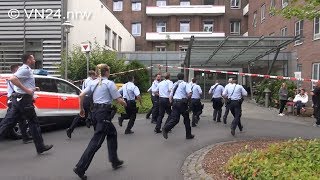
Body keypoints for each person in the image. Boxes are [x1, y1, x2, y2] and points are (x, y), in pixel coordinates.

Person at [73, 64, 127, 180]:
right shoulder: (109, 83)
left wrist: (81, 109)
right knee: (96, 142)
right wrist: (124, 103)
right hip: (104, 114)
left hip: (95, 113)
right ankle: (80, 167)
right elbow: (118, 99)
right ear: (106, 72)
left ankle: (114, 160)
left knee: (112, 133)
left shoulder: (93, 82)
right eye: (109, 71)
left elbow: (81, 95)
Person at [0, 53, 53, 154]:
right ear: (28, 60)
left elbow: (19, 81)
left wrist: (32, 88)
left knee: (7, 123)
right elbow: (13, 79)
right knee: (33, 122)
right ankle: (40, 147)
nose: (34, 60)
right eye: (33, 59)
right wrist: (27, 91)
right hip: (24, 101)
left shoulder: (23, 69)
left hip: (18, 100)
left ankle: (40, 147)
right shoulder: (25, 69)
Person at [4, 64, 32, 144]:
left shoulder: (12, 78)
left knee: (21, 120)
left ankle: (25, 137)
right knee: (9, 121)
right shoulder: (14, 79)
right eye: (18, 69)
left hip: (13, 100)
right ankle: (25, 138)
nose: (20, 70)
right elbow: (19, 89)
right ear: (15, 70)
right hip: (15, 101)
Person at [162, 73, 194, 140]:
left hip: (175, 103)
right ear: (184, 77)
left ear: (177, 77)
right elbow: (190, 93)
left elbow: (170, 96)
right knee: (186, 119)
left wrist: (171, 103)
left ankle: (166, 128)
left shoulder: (174, 84)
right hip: (182, 104)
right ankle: (188, 135)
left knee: (175, 119)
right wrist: (187, 99)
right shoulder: (185, 84)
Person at [66, 70, 97, 138]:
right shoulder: (90, 81)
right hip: (88, 98)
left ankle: (70, 129)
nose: (95, 77)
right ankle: (95, 129)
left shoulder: (86, 80)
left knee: (83, 114)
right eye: (95, 75)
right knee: (93, 113)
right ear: (92, 75)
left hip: (85, 98)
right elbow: (91, 90)